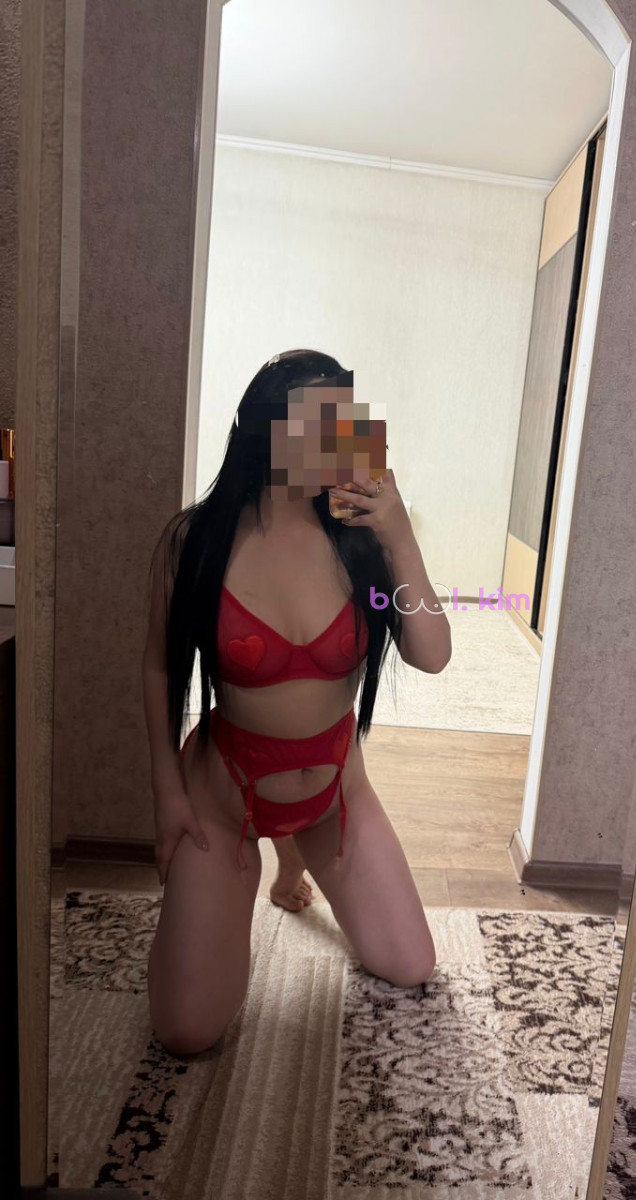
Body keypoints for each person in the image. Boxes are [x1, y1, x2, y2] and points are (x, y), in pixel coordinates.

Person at [142, 348, 451, 1057]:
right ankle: (230, 889)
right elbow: (158, 668)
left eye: (346, 420)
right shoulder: (194, 542)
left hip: (334, 792)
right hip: (224, 798)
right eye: (320, 422)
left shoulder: (360, 542)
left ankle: (293, 857)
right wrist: (166, 793)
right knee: (187, 1031)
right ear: (267, 431)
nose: (341, 438)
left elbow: (431, 653)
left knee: (411, 964)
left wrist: (401, 540)